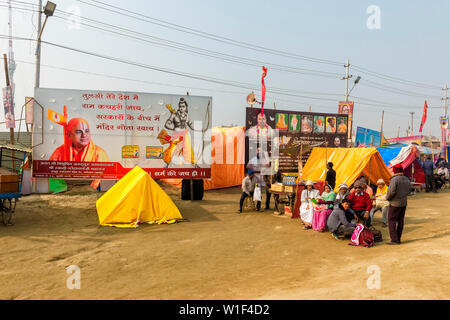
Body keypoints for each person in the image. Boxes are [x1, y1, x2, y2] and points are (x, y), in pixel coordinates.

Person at [385, 164, 411, 245]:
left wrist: (387, 198)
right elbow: (409, 191)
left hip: (395, 203)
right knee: (400, 221)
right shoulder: (406, 179)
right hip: (403, 203)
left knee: (391, 220)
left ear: (395, 170)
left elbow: (391, 192)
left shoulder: (395, 179)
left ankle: (394, 239)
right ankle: (398, 238)